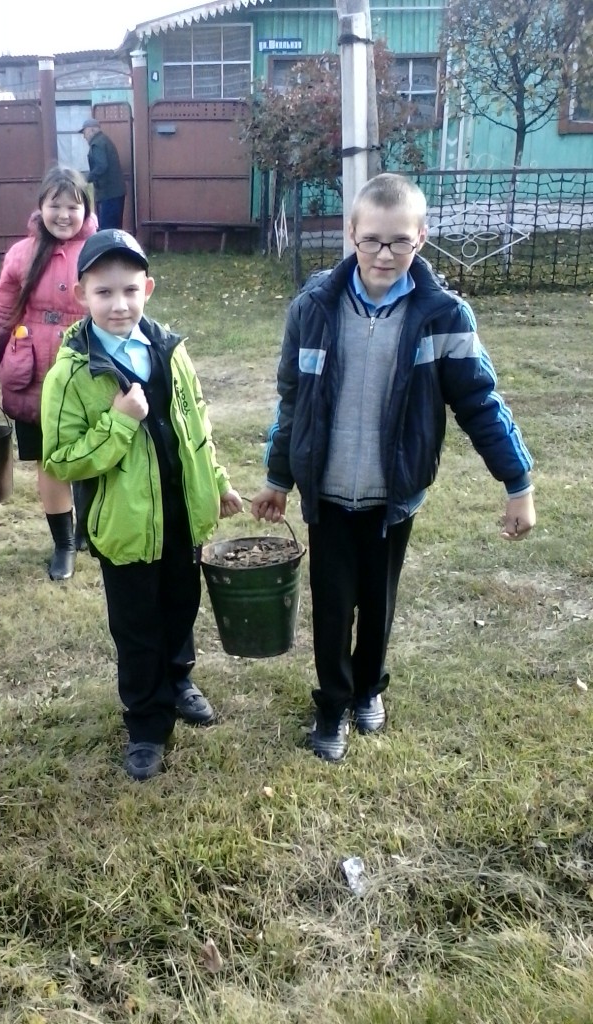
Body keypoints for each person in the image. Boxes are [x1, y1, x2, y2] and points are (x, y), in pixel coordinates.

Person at [251, 173, 536, 763]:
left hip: (393, 495)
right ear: (351, 233)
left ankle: (368, 689)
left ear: (421, 238)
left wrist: (518, 483)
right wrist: (278, 478)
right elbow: (292, 401)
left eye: (399, 241)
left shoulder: (443, 316)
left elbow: (480, 402)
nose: (384, 253)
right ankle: (333, 704)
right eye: (372, 240)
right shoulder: (313, 308)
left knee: (378, 601)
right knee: (333, 606)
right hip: (328, 493)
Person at [41, 229, 243, 781]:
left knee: (180, 607)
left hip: (181, 515)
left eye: (130, 290)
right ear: (81, 294)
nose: (119, 304)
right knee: (136, 628)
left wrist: (218, 482)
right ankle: (147, 723)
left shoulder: (171, 351)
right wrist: (120, 422)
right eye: (104, 292)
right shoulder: (71, 375)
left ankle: (178, 680)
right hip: (126, 527)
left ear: (147, 289)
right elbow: (61, 459)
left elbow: (196, 421)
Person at [0, 166, 98, 580]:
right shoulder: (21, 255)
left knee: (93, 453)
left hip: (86, 369)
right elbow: (4, 315)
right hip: (32, 373)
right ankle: (64, 545)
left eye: (73, 206)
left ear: (86, 208)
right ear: (41, 208)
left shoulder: (100, 250)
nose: (63, 215)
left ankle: (89, 529)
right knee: (48, 461)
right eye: (55, 205)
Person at [79, 119, 126, 230]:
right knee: (114, 229)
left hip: (108, 193)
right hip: (114, 192)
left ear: (92, 130)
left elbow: (101, 166)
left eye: (84, 132)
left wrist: (85, 179)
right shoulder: (104, 141)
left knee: (107, 229)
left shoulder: (97, 144)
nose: (84, 137)